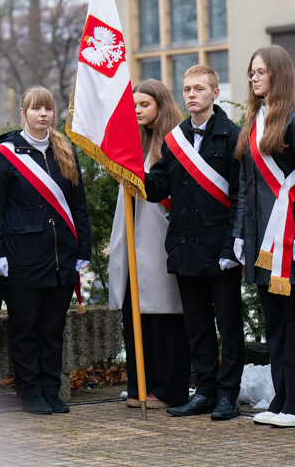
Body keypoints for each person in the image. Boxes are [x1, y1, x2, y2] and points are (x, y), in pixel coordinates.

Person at [144, 65, 244, 421]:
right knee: (198, 326)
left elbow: (241, 196)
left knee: (229, 327)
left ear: (215, 93)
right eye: (187, 89)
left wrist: (233, 245)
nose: (191, 94)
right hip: (186, 247)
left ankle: (227, 395)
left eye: (199, 88)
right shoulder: (174, 140)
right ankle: (204, 390)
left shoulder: (233, 136)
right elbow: (158, 187)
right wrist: (131, 170)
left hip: (220, 251)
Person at [0, 86, 92, 415]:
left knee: (51, 330)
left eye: (47, 108)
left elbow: (79, 205)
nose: (42, 114)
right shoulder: (4, 156)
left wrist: (83, 249)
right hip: (21, 259)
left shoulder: (65, 151)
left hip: (61, 257)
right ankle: (30, 393)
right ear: (23, 113)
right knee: (25, 330)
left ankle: (50, 388)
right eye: (35, 109)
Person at [233, 45, 295, 428]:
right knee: (275, 324)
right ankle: (283, 399)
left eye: (260, 72)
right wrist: (238, 234)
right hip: (260, 242)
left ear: (278, 74)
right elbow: (244, 188)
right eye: (251, 72)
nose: (254, 78)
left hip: (288, 242)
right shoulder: (254, 123)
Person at [109, 79, 191, 409]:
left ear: (161, 104)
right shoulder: (136, 144)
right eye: (135, 106)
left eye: (145, 104)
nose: (138, 110)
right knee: (138, 317)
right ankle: (140, 384)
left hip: (161, 239)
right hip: (135, 237)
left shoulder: (175, 143)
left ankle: (168, 389)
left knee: (165, 318)